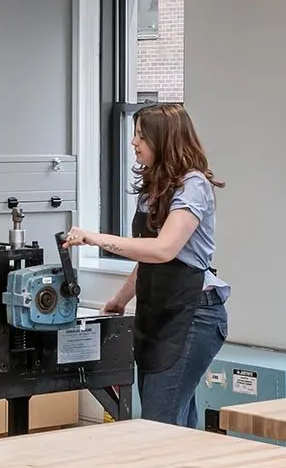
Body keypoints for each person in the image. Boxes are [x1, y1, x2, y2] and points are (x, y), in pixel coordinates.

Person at [60, 101, 228, 427]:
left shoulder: (194, 186)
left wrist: (95, 238)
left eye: (140, 136)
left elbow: (164, 249)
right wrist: (119, 301)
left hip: (193, 314)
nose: (134, 143)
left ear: (163, 140)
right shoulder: (154, 188)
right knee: (172, 420)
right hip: (159, 313)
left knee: (157, 423)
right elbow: (147, 260)